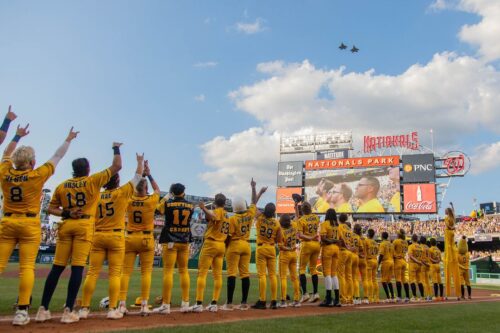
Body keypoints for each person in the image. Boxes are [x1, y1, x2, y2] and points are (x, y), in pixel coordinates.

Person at [0, 122, 77, 326]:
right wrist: (68, 139)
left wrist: (16, 136)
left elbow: (5, 154)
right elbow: (57, 156)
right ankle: (22, 311)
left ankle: (23, 310)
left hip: (7, 221)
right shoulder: (37, 175)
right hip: (29, 223)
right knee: (26, 268)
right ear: (32, 162)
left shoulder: (4, 171)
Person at [37, 141, 122, 324]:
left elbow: (50, 209)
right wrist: (115, 148)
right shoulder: (92, 180)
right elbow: (117, 166)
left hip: (66, 224)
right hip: (84, 227)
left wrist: (67, 212)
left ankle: (43, 309)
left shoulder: (62, 185)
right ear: (88, 169)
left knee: (57, 267)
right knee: (77, 268)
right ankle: (68, 310)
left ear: (73, 169)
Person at [79, 153, 144, 320]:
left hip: (98, 235)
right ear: (116, 182)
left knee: (92, 273)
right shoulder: (121, 192)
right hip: (115, 236)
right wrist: (139, 161)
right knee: (115, 274)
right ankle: (113, 308)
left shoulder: (96, 195)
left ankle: (84, 308)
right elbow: (137, 177)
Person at [118, 160, 161, 316]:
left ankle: (121, 304)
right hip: (146, 239)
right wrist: (148, 174)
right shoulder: (150, 201)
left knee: (125, 272)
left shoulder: (128, 200)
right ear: (146, 189)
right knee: (146, 273)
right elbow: (157, 189)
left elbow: (128, 190)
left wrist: (139, 175)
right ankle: (144, 304)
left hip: (129, 237)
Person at [223, 179, 266, 311]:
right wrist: (254, 188)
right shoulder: (250, 213)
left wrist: (225, 248)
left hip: (235, 245)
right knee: (245, 274)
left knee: (231, 273)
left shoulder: (232, 219)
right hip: (246, 245)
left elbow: (229, 236)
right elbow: (253, 202)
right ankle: (243, 302)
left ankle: (229, 303)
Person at [153, 182, 194, 314]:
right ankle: (186, 303)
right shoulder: (191, 205)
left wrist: (167, 196)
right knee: (184, 271)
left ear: (172, 192)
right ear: (183, 192)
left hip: (170, 239)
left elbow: (157, 209)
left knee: (168, 272)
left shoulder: (168, 203)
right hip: (185, 240)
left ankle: (166, 305)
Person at [192, 193, 229, 312]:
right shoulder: (227, 215)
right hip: (221, 245)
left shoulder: (218, 211)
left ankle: (198, 303)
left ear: (215, 202)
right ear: (225, 202)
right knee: (217, 276)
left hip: (211, 243)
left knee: (202, 274)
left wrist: (203, 208)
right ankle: (214, 303)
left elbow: (214, 217)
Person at [252, 203, 281, 310]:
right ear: (274, 212)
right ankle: (274, 301)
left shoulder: (260, 218)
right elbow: (279, 239)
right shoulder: (277, 223)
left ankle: (262, 300)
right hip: (271, 248)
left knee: (262, 275)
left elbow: (254, 208)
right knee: (273, 275)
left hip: (261, 247)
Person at [294, 201, 321, 303]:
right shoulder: (316, 218)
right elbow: (301, 218)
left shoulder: (301, 220)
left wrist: (310, 237)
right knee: (313, 269)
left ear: (302, 210)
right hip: (316, 245)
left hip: (307, 244)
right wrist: (296, 207)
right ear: (310, 209)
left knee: (301, 269)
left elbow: (300, 235)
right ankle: (315, 293)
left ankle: (305, 293)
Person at [278, 214, 301, 308]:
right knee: (294, 277)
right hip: (293, 253)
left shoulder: (281, 231)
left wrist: (288, 248)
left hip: (285, 254)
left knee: (283, 277)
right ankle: (296, 300)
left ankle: (283, 301)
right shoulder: (294, 225)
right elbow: (296, 217)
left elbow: (280, 246)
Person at [319, 209, 340, 307]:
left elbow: (323, 238)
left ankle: (328, 299)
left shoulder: (325, 224)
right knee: (334, 274)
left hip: (328, 248)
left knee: (327, 273)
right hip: (336, 249)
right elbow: (339, 239)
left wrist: (329, 241)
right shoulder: (337, 225)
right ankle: (337, 299)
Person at [444, 206, 461, 300]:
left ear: (447, 211)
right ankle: (458, 294)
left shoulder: (447, 218)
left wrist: (451, 227)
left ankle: (447, 294)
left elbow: (447, 226)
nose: (444, 211)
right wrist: (453, 205)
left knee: (448, 246)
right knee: (451, 245)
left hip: (448, 233)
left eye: (445, 210)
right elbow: (454, 213)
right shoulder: (452, 217)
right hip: (452, 234)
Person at [337, 213, 354, 305]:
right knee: (349, 276)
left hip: (343, 251)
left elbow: (340, 239)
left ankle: (343, 298)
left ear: (339, 218)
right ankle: (350, 298)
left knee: (341, 275)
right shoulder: (349, 229)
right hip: (349, 253)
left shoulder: (339, 227)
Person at [354, 223, 370, 304]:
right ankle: (366, 298)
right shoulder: (365, 239)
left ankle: (357, 297)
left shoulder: (354, 238)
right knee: (364, 279)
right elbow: (367, 250)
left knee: (356, 278)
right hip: (364, 260)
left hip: (356, 259)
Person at [392, 229, 410, 302]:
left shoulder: (396, 241)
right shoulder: (405, 242)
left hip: (398, 261)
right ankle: (407, 296)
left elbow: (391, 250)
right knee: (404, 280)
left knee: (398, 279)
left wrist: (395, 256)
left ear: (399, 234)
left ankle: (399, 297)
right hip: (403, 261)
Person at [377, 231, 395, 302]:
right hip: (391, 262)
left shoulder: (382, 244)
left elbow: (381, 254)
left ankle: (388, 297)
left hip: (386, 262)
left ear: (382, 236)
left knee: (383, 281)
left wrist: (378, 263)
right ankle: (393, 297)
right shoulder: (391, 244)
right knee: (389, 280)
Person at [408, 234, 424, 301]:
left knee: (412, 280)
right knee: (419, 281)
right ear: (417, 239)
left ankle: (414, 296)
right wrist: (419, 261)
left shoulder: (411, 246)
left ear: (412, 239)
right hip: (419, 265)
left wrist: (416, 261)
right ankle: (422, 296)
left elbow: (410, 256)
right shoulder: (420, 247)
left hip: (413, 264)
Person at [365, 229, 379, 303]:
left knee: (369, 279)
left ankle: (370, 298)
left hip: (369, 260)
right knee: (374, 280)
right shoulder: (376, 243)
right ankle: (376, 298)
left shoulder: (366, 241)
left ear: (368, 234)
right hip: (375, 260)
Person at [350, 223, 361, 305]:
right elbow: (361, 248)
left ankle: (351, 296)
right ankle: (357, 296)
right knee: (355, 278)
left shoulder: (350, 235)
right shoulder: (358, 237)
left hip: (350, 256)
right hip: (357, 257)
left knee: (348, 277)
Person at [419, 236, 432, 301]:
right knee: (427, 281)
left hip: (423, 265)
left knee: (423, 281)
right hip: (428, 265)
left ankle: (427, 295)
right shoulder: (428, 247)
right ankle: (429, 295)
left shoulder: (420, 247)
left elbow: (419, 257)